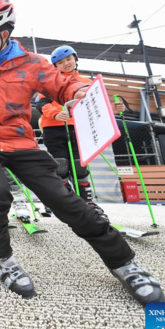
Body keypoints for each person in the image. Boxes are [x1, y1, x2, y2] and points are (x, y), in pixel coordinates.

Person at [0, 0, 164, 305]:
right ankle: (2, 260)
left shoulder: (32, 64)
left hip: (20, 141)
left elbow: (62, 86)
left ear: (4, 33)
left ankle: (125, 265)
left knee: (65, 200)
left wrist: (79, 93)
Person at [35, 45, 124, 217]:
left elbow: (97, 106)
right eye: (61, 62)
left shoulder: (87, 82)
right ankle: (63, 201)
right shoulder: (49, 82)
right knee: (60, 165)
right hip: (54, 127)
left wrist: (113, 108)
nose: (66, 64)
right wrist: (54, 113)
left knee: (79, 165)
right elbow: (40, 104)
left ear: (75, 58)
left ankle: (87, 202)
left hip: (78, 127)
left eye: (69, 59)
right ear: (55, 66)